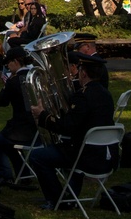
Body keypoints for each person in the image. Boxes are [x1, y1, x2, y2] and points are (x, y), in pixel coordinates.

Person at [28, 52, 116, 208]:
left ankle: (56, 200)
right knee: (67, 150)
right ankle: (69, 197)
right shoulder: (106, 94)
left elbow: (66, 128)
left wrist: (43, 116)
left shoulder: (83, 96)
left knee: (37, 156)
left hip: (85, 156)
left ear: (82, 73)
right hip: (105, 155)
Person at [0, 47, 37, 187]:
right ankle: (24, 174)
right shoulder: (35, 76)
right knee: (9, 145)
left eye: (8, 64)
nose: (8, 67)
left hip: (21, 129)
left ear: (15, 62)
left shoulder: (15, 81)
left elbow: (2, 101)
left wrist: (7, 84)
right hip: (38, 128)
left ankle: (3, 176)